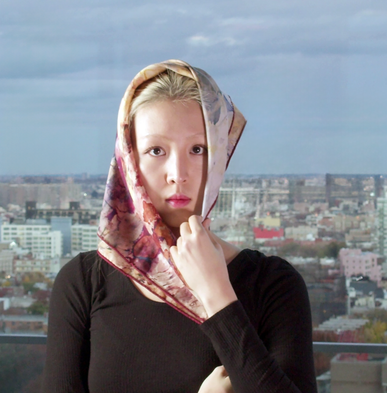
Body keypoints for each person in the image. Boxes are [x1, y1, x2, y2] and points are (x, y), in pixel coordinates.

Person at [42, 60, 318, 393]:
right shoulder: (84, 282)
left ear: (218, 157)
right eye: (156, 150)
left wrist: (218, 294)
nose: (178, 173)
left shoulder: (273, 285)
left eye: (198, 149)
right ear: (130, 160)